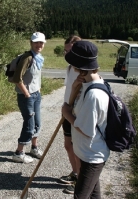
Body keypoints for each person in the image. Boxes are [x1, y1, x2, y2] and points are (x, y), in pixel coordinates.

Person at [62, 40, 110, 199]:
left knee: (80, 196)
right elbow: (75, 108)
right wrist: (74, 91)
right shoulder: (86, 85)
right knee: (94, 196)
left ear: (79, 67)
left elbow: (86, 129)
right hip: (86, 154)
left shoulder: (94, 95)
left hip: (92, 158)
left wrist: (66, 112)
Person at [12, 32, 46, 163]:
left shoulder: (38, 57)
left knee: (37, 123)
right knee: (29, 125)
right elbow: (17, 78)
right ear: (31, 43)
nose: (39, 45)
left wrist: (38, 89)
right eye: (36, 42)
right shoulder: (27, 58)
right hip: (27, 96)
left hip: (35, 94)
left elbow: (35, 77)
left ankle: (34, 148)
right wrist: (26, 94)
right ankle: (19, 153)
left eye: (41, 42)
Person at [57, 36, 83, 194]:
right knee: (68, 146)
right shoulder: (70, 68)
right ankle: (75, 174)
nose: (67, 55)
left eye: (71, 51)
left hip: (77, 114)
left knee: (79, 149)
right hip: (66, 111)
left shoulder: (84, 71)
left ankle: (81, 181)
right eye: (66, 51)